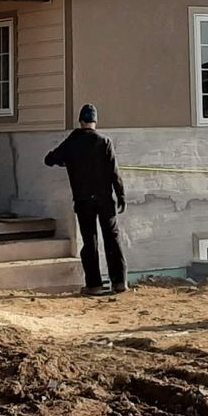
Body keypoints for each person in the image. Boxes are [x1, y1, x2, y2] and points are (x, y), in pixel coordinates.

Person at [44, 103, 127, 296]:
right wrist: (121, 194)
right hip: (105, 199)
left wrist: (65, 160)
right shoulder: (104, 141)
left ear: (81, 121)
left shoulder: (72, 142)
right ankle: (119, 282)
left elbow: (49, 159)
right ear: (95, 122)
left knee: (90, 242)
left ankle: (94, 284)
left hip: (83, 200)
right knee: (112, 239)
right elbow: (114, 172)